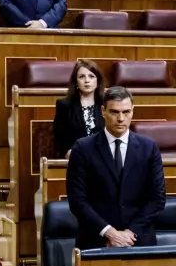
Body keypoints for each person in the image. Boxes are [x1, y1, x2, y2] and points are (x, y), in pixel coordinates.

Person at [65, 86, 166, 251]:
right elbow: (77, 200)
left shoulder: (149, 148)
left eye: (126, 112)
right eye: (114, 112)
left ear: (133, 111)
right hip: (96, 241)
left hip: (139, 241)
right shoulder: (83, 148)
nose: (120, 118)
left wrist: (130, 233)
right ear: (103, 111)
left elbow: (157, 198)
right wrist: (109, 232)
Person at [53, 59, 105, 159]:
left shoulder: (106, 104)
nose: (87, 80)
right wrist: (67, 151)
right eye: (82, 77)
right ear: (76, 82)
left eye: (91, 76)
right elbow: (60, 137)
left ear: (98, 81)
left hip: (102, 157)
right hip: (77, 157)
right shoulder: (65, 105)